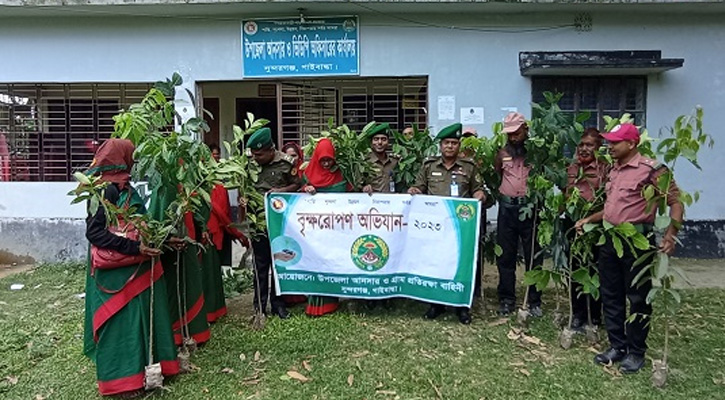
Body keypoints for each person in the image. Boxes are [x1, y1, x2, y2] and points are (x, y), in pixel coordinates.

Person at [575, 123, 683, 373]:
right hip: (610, 240)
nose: (609, 147)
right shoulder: (615, 170)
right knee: (610, 294)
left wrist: (671, 235)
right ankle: (617, 345)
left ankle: (636, 352)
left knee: (637, 298)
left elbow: (675, 202)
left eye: (615, 143)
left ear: (631, 144)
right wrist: (589, 219)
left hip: (636, 242)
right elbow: (614, 208)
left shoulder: (651, 170)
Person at [83, 139, 180, 397]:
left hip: (130, 269)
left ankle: (142, 374)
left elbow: (138, 225)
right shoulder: (105, 191)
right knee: (119, 328)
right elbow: (95, 234)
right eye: (131, 157)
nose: (135, 162)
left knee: (136, 324)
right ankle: (119, 383)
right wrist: (134, 249)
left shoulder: (122, 186)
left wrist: (165, 239)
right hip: (117, 273)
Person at [408, 123, 486, 324]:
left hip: (461, 227)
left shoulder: (469, 167)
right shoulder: (429, 166)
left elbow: (479, 189)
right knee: (436, 263)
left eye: (454, 143)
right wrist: (414, 191)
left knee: (461, 264)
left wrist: (479, 196)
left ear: (459, 146)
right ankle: (437, 304)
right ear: (440, 146)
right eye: (446, 143)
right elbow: (419, 187)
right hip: (436, 226)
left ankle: (462, 307)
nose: (450, 146)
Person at [244, 127, 300, 319]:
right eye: (253, 154)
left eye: (259, 154)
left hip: (279, 222)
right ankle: (259, 306)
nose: (255, 158)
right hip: (257, 221)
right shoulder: (248, 164)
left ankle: (278, 305)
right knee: (260, 264)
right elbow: (244, 186)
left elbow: (297, 184)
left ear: (270, 150)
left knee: (279, 261)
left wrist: (282, 190)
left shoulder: (286, 163)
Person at [494, 112, 543, 317]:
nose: (513, 137)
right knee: (506, 255)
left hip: (530, 208)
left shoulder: (537, 153)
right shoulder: (501, 153)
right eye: (510, 134)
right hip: (507, 209)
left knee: (534, 255)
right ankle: (507, 299)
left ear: (526, 130)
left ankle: (534, 301)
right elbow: (498, 173)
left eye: (517, 133)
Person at [301, 138, 352, 316]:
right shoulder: (307, 175)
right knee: (317, 262)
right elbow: (297, 198)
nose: (326, 163)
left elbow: (352, 194)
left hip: (337, 229)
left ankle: (333, 301)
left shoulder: (341, 174)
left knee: (332, 262)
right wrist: (306, 189)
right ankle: (315, 303)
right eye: (322, 160)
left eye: (329, 159)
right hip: (315, 231)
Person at [565, 128, 608, 330]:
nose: (584, 149)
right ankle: (578, 313)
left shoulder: (604, 169)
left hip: (596, 226)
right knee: (575, 268)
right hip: (573, 223)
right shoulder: (571, 168)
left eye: (589, 145)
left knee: (595, 269)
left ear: (598, 147)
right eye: (581, 144)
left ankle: (595, 315)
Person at [362, 122, 399, 194]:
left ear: (388, 142)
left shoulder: (395, 161)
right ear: (371, 143)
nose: (379, 142)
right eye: (376, 139)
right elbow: (357, 185)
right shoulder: (364, 163)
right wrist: (364, 187)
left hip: (392, 202)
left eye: (383, 139)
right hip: (372, 202)